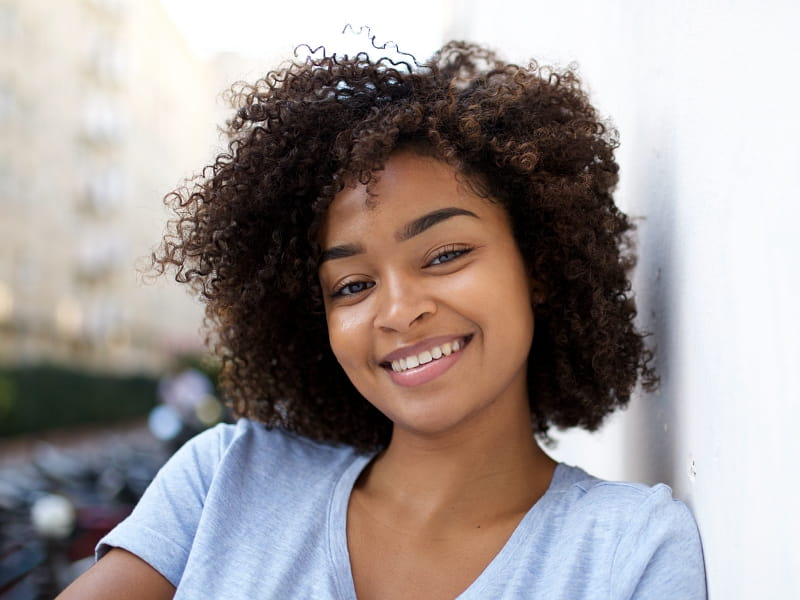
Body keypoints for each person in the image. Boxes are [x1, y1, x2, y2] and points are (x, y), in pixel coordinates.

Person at [58, 40, 706, 599]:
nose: (398, 311)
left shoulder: (629, 552)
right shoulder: (228, 479)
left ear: (536, 263)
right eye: (353, 285)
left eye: (446, 254)